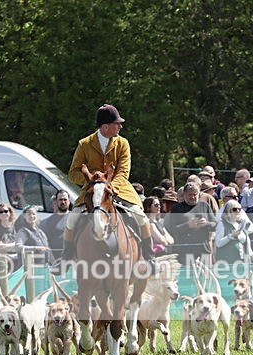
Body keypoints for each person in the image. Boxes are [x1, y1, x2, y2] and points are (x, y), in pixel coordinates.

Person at [59, 104, 155, 272]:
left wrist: (108, 186)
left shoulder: (123, 143)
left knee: (140, 216)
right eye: (117, 123)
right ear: (105, 127)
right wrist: (93, 181)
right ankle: (65, 259)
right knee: (72, 219)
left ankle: (149, 257)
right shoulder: (84, 144)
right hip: (91, 191)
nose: (120, 126)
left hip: (119, 189)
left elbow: (124, 172)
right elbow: (73, 173)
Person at [164, 182, 217, 266]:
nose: (192, 197)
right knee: (187, 277)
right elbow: (172, 230)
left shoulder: (205, 205)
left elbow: (215, 225)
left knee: (205, 277)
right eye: (189, 195)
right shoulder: (176, 208)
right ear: (184, 194)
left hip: (203, 249)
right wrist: (187, 225)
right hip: (185, 252)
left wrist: (206, 224)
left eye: (194, 194)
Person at [214, 200, 253, 265]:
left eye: (239, 209)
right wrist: (230, 236)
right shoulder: (222, 224)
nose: (237, 211)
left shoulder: (241, 223)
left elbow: (251, 231)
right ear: (228, 211)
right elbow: (218, 243)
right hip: (228, 262)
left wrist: (250, 257)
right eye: (235, 209)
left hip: (243, 260)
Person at [38, 190, 71, 260]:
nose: (63, 202)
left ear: (69, 201)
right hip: (55, 261)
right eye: (60, 200)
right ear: (56, 201)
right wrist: (54, 263)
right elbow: (46, 245)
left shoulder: (77, 218)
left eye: (65, 199)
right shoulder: (46, 222)